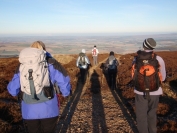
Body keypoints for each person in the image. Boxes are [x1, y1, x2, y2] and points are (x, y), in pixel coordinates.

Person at [7, 41, 71, 133]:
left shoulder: (22, 65)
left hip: (29, 110)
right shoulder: (51, 62)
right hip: (49, 109)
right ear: (44, 50)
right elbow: (64, 80)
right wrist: (66, 93)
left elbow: (12, 90)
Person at [132, 38, 166, 133]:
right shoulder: (158, 59)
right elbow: (162, 78)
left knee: (141, 115)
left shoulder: (136, 58)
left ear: (144, 45)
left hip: (140, 91)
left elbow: (133, 76)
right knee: (152, 113)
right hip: (155, 90)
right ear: (153, 47)